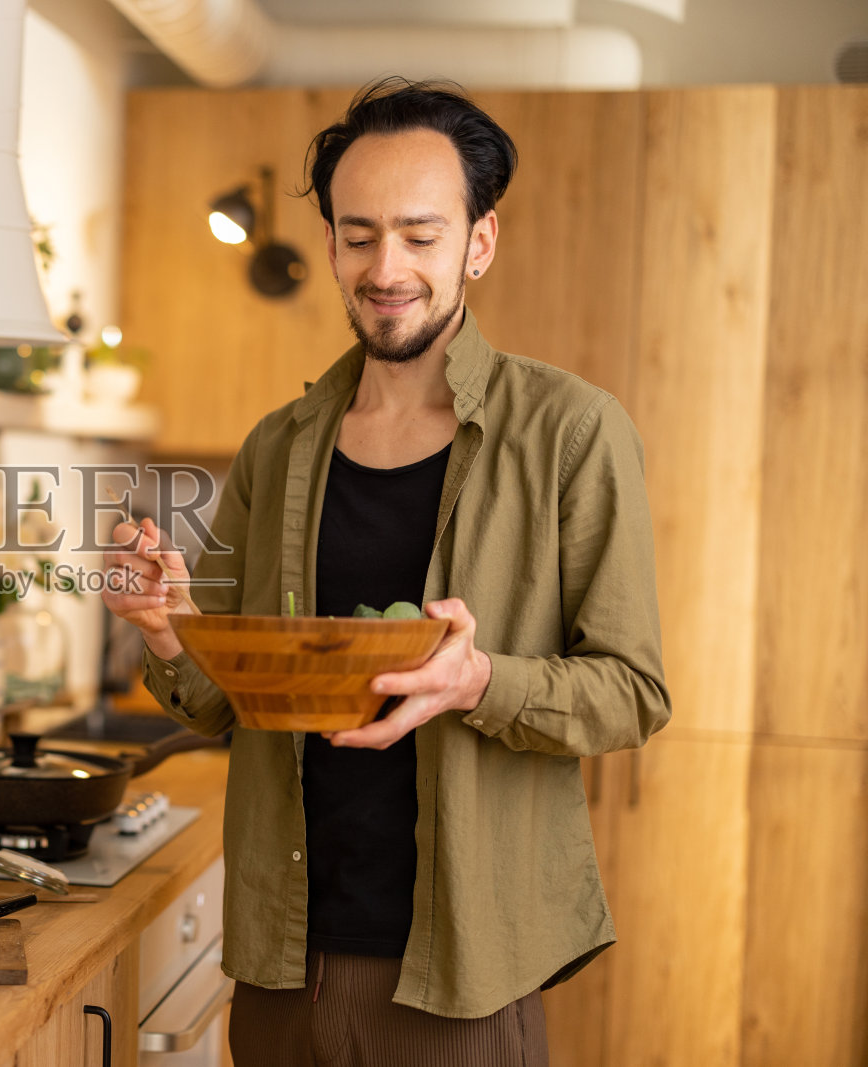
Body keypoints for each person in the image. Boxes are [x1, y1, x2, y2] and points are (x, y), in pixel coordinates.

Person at [101, 78, 670, 1067]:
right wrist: (167, 626)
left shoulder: (572, 431)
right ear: (330, 245)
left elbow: (632, 691)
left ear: (477, 243)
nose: (386, 267)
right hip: (282, 968)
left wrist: (478, 680)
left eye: (419, 234)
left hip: (457, 982)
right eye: (359, 235)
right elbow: (225, 697)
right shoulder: (278, 444)